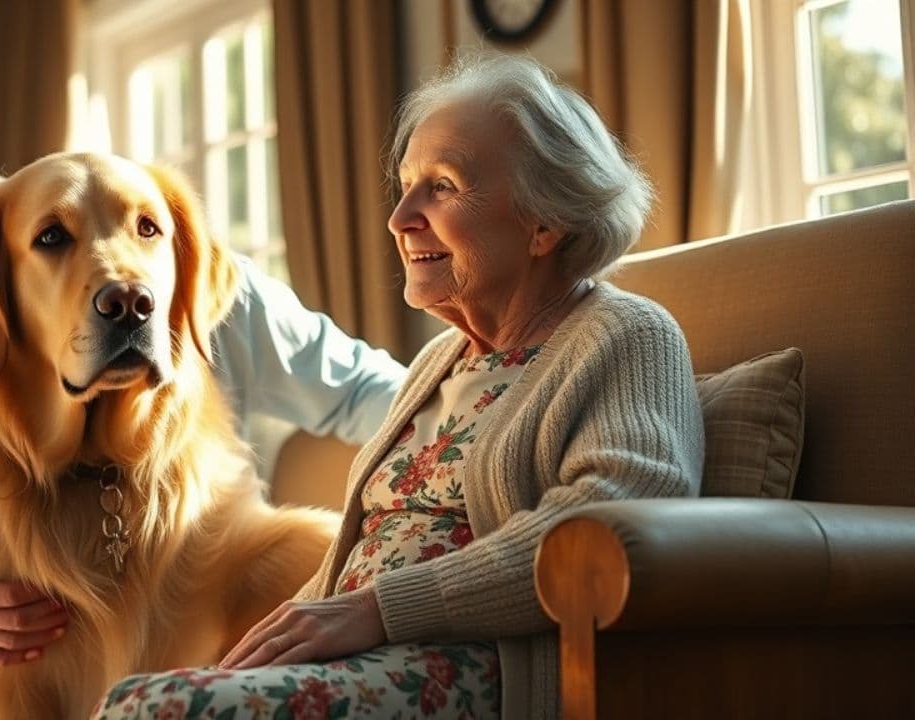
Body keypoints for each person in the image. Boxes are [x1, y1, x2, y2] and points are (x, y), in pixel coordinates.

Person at [92, 53, 704, 720]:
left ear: (544, 222)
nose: (400, 216)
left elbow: (614, 524)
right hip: (359, 663)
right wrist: (280, 639)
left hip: (475, 672)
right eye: (406, 184)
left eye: (441, 186)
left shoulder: (626, 334)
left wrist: (379, 609)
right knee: (133, 698)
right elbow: (358, 561)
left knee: (163, 710)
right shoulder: (439, 362)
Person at [0, 255, 407, 665]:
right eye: (53, 240)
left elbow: (374, 392)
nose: (123, 294)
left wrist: (488, 423)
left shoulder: (220, 298)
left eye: (146, 229)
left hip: (208, 645)